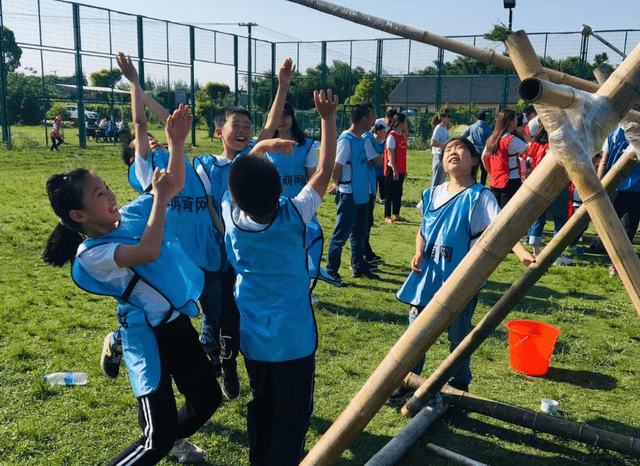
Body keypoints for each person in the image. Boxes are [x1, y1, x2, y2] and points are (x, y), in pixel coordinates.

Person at [42, 104, 221, 465]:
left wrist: (177, 142)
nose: (110, 196)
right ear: (79, 216)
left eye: (107, 187)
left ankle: (171, 437)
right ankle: (165, 437)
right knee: (154, 440)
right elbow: (148, 251)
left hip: (174, 324)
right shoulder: (91, 254)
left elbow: (173, 185)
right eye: (98, 195)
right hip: (146, 337)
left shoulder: (129, 214)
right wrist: (160, 201)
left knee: (207, 399)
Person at [221, 89, 338, 466]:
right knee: (293, 418)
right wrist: (327, 118)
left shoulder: (231, 218)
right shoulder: (295, 214)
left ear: (236, 198)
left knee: (263, 407)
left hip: (254, 340)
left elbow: (237, 182)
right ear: (280, 190)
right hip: (295, 342)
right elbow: (325, 168)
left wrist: (257, 149)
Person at [392, 138, 535, 399]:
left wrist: (523, 254)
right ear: (443, 163)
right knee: (415, 335)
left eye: (460, 149)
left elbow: (502, 229)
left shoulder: (481, 197)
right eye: (448, 150)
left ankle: (459, 384)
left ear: (473, 160)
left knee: (458, 337)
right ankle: (408, 380)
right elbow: (423, 230)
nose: (452, 153)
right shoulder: (432, 193)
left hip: (460, 282)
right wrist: (418, 251)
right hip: (427, 278)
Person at [194, 58, 296, 391]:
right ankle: (218, 362)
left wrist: (282, 84)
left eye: (246, 126)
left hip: (247, 253)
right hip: (216, 254)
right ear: (219, 131)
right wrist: (228, 236)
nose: (243, 131)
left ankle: (232, 364)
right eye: (235, 125)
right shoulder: (206, 165)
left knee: (238, 314)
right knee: (215, 314)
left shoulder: (253, 156)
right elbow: (210, 206)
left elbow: (270, 124)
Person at [325, 102, 379, 285]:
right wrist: (337, 184)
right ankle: (331, 271)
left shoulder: (362, 139)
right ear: (364, 119)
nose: (374, 121)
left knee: (360, 232)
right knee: (341, 233)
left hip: (362, 194)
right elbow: (336, 167)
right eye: (372, 117)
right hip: (349, 194)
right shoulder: (346, 140)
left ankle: (359, 267)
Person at [524, 125, 572, 265]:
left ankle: (535, 250)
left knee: (538, 217)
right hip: (558, 186)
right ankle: (557, 253)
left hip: (539, 186)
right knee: (560, 219)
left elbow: (528, 154)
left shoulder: (536, 146)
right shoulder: (560, 148)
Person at [596, 125, 640, 277]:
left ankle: (611, 256)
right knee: (628, 228)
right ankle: (616, 266)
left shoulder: (613, 132)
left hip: (614, 185)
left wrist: (599, 185)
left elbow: (603, 161)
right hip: (635, 187)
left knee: (612, 225)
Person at [482, 109, 529, 208]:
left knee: (496, 212)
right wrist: (525, 135)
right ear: (511, 122)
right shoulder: (511, 140)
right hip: (511, 180)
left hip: (495, 181)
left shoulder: (491, 139)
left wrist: (491, 171)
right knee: (509, 213)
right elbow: (530, 150)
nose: (517, 121)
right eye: (515, 118)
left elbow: (484, 157)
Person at [384, 113, 409, 224]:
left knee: (398, 193)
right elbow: (390, 155)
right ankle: (387, 215)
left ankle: (396, 214)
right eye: (405, 122)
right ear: (400, 123)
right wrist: (394, 170)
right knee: (389, 193)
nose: (406, 124)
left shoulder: (401, 136)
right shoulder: (392, 136)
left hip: (401, 169)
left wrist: (404, 169)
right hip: (392, 169)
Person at [461, 110, 492, 185]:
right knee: (484, 171)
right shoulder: (487, 128)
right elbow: (490, 141)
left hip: (474, 151)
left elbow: (463, 136)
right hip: (484, 151)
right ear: (485, 118)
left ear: (477, 117)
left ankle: (473, 184)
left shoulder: (472, 127)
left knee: (474, 170)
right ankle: (482, 185)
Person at [430, 108, 452, 188]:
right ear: (442, 117)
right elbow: (432, 142)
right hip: (438, 156)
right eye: (448, 116)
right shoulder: (438, 128)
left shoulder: (445, 128)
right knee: (436, 181)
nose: (450, 119)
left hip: (442, 156)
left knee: (441, 181)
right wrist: (444, 145)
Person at [372, 123, 388, 203]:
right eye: (383, 131)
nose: (384, 133)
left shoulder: (385, 142)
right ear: (377, 132)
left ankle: (382, 197)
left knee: (383, 182)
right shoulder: (372, 141)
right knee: (374, 183)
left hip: (382, 167)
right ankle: (373, 197)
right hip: (374, 167)